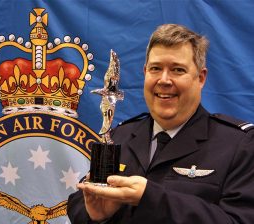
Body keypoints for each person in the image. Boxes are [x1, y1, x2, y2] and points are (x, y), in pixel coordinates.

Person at [67, 24, 254, 223]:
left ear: (200, 78)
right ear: (145, 72)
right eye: (156, 68)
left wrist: (150, 198)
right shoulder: (120, 136)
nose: (164, 80)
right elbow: (78, 202)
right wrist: (97, 216)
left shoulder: (238, 145)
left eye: (177, 70)